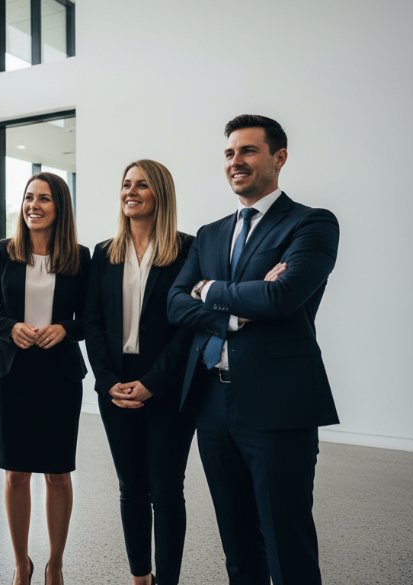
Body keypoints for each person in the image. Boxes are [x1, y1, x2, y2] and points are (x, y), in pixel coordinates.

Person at [167, 115, 340, 585]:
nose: (235, 162)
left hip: (278, 405)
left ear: (279, 158)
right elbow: (176, 304)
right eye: (229, 153)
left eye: (248, 151)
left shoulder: (312, 224)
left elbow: (281, 297)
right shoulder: (210, 233)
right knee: (238, 546)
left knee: (287, 544)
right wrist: (233, 308)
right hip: (213, 405)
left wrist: (209, 288)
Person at [84, 160, 196, 585]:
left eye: (142, 185)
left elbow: (188, 328)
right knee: (131, 488)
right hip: (115, 384)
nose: (131, 191)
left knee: (166, 492)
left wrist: (152, 384)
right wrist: (108, 380)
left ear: (160, 194)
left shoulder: (188, 250)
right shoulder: (104, 253)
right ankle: (139, 577)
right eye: (126, 184)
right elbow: (93, 322)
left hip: (166, 385)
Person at [0, 172, 90, 585]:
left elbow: (89, 319)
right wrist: (10, 328)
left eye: (43, 198)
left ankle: (55, 563)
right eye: (28, 198)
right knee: (16, 473)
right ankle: (21, 562)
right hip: (11, 374)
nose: (33, 206)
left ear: (59, 207)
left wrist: (65, 329)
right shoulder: (2, 253)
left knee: (58, 473)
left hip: (59, 375)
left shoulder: (79, 256)